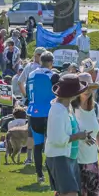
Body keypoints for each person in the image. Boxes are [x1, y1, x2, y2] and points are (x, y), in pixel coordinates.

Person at [55, 75, 99, 196]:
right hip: (75, 159)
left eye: (91, 88)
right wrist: (80, 137)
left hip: (91, 159)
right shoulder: (69, 108)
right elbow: (65, 133)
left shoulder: (95, 107)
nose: (89, 91)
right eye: (86, 87)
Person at [44, 74, 91, 196]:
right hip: (60, 157)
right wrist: (78, 136)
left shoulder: (64, 108)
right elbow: (57, 139)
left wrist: (80, 135)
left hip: (66, 157)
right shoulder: (58, 110)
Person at [26, 51, 60, 184]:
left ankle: (40, 175)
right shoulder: (53, 75)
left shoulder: (31, 74)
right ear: (51, 62)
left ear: (41, 61)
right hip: (49, 112)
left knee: (38, 145)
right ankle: (53, 173)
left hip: (33, 113)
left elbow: (28, 92)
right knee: (52, 143)